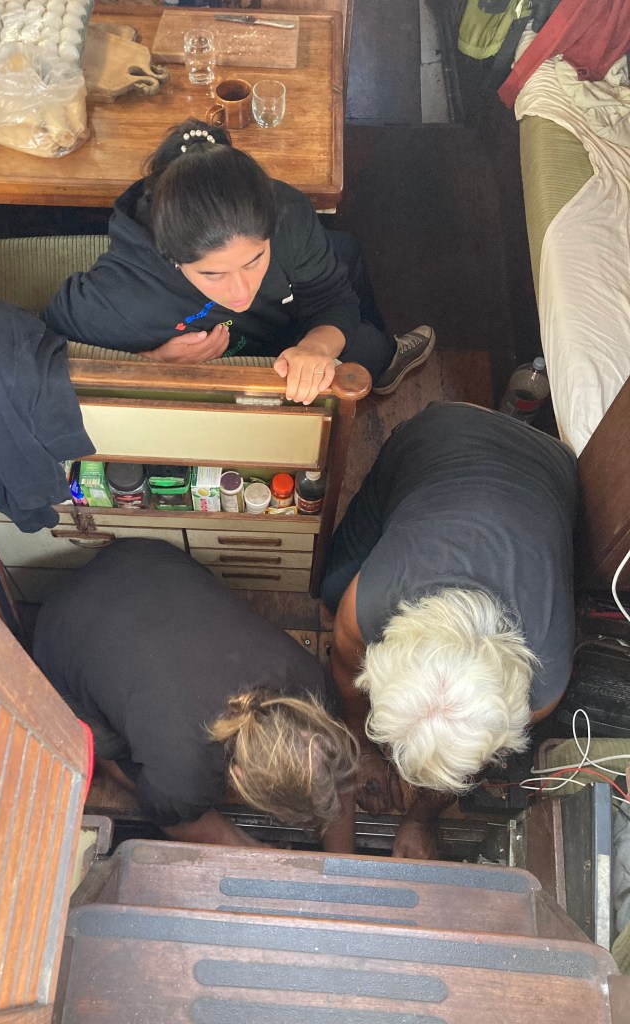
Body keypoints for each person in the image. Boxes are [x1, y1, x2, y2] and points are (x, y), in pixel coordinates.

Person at [320, 402, 578, 859]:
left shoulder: (546, 684)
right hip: (442, 433)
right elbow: (345, 669)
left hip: (548, 465)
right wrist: (362, 747)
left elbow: (475, 757)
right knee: (331, 587)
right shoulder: (369, 600)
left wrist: (420, 817)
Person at [42, 118, 435, 406]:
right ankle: (384, 355)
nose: (241, 291)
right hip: (243, 373)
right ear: (172, 258)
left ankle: (386, 361)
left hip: (292, 325)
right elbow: (47, 340)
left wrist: (316, 347)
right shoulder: (120, 296)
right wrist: (155, 361)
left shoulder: (288, 215)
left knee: (349, 261)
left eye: (254, 260)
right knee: (364, 337)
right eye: (213, 274)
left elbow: (332, 296)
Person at [33, 537, 359, 851]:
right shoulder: (184, 774)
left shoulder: (310, 681)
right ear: (239, 777)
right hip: (58, 628)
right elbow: (175, 818)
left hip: (144, 557)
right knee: (116, 750)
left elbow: (334, 775)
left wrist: (343, 862)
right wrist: (250, 851)